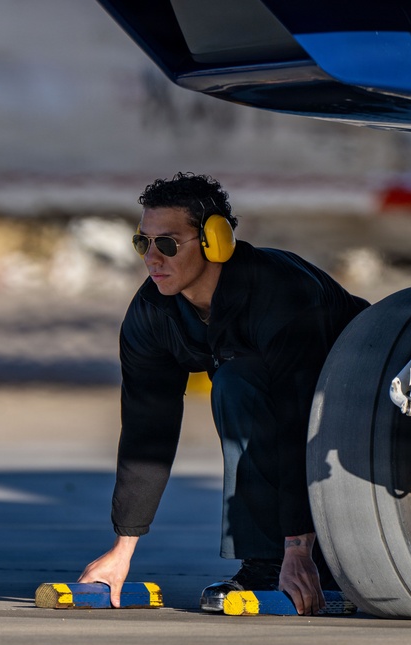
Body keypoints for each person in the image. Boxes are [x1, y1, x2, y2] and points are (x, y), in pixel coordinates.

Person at [77, 172, 368, 615]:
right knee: (238, 380)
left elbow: (295, 421)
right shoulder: (152, 313)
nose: (152, 258)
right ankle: (266, 561)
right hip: (288, 398)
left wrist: (297, 551)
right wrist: (123, 549)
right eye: (143, 243)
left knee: (238, 383)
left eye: (168, 244)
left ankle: (298, 558)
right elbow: (146, 430)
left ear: (216, 240)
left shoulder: (279, 293)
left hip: (367, 392)